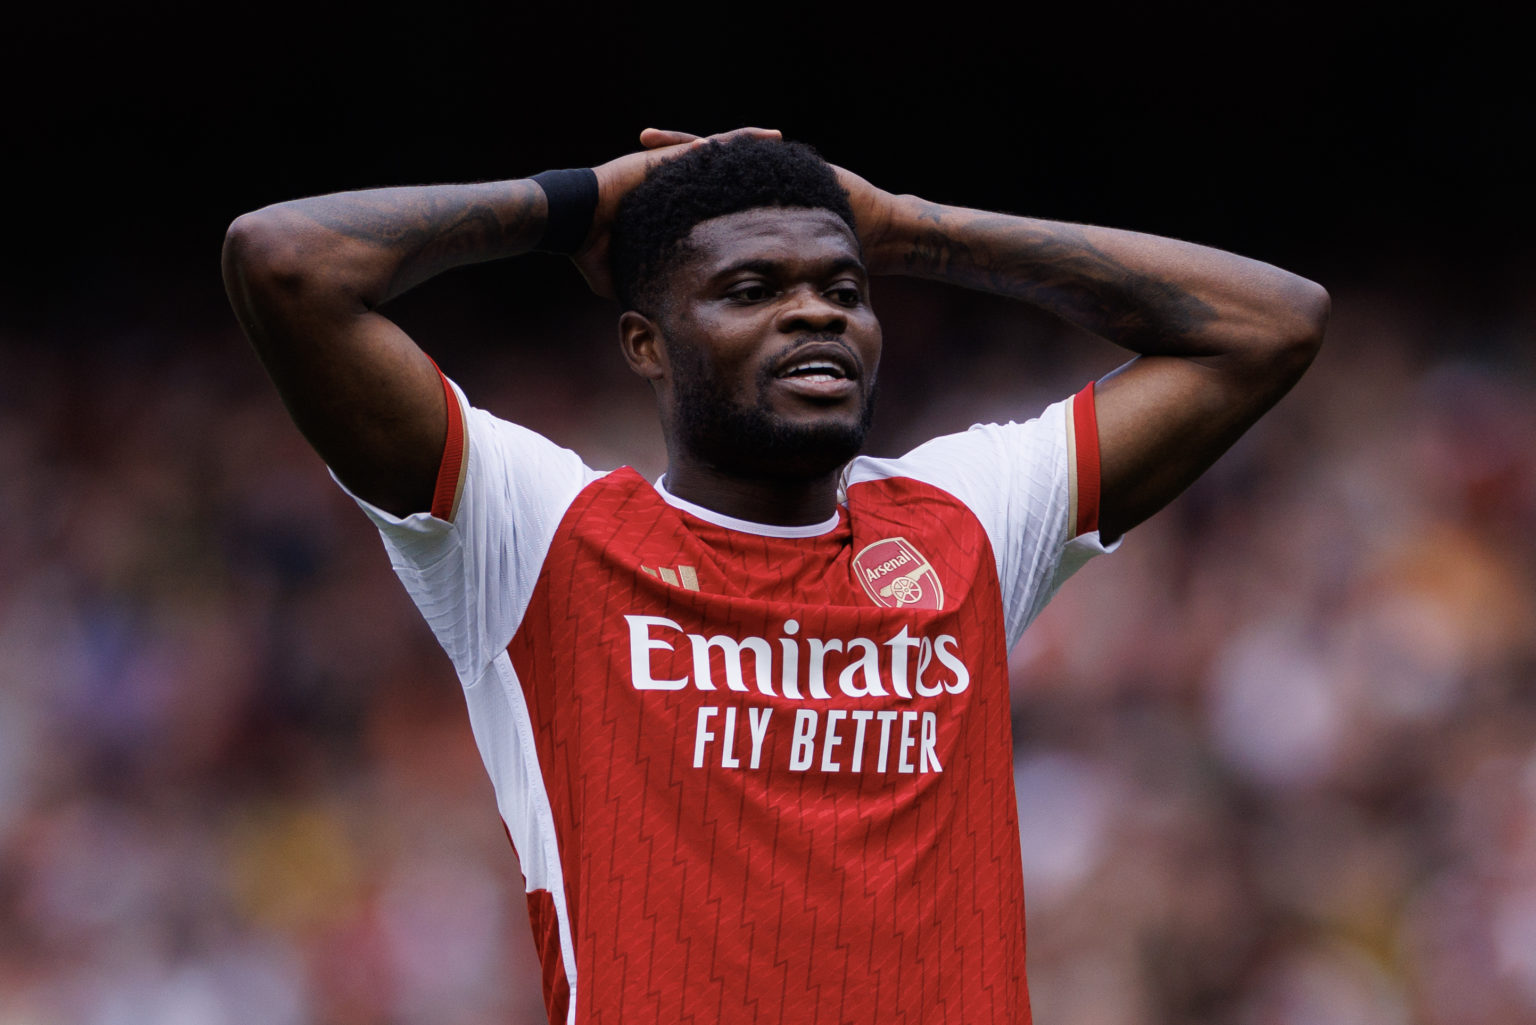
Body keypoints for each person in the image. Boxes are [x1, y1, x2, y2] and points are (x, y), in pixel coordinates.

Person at [222, 127, 1328, 1024]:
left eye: (844, 288)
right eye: (751, 286)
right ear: (645, 342)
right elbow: (287, 262)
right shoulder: (537, 534)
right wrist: (578, 201)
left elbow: (1271, 323)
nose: (816, 311)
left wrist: (909, 228)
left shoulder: (964, 518)